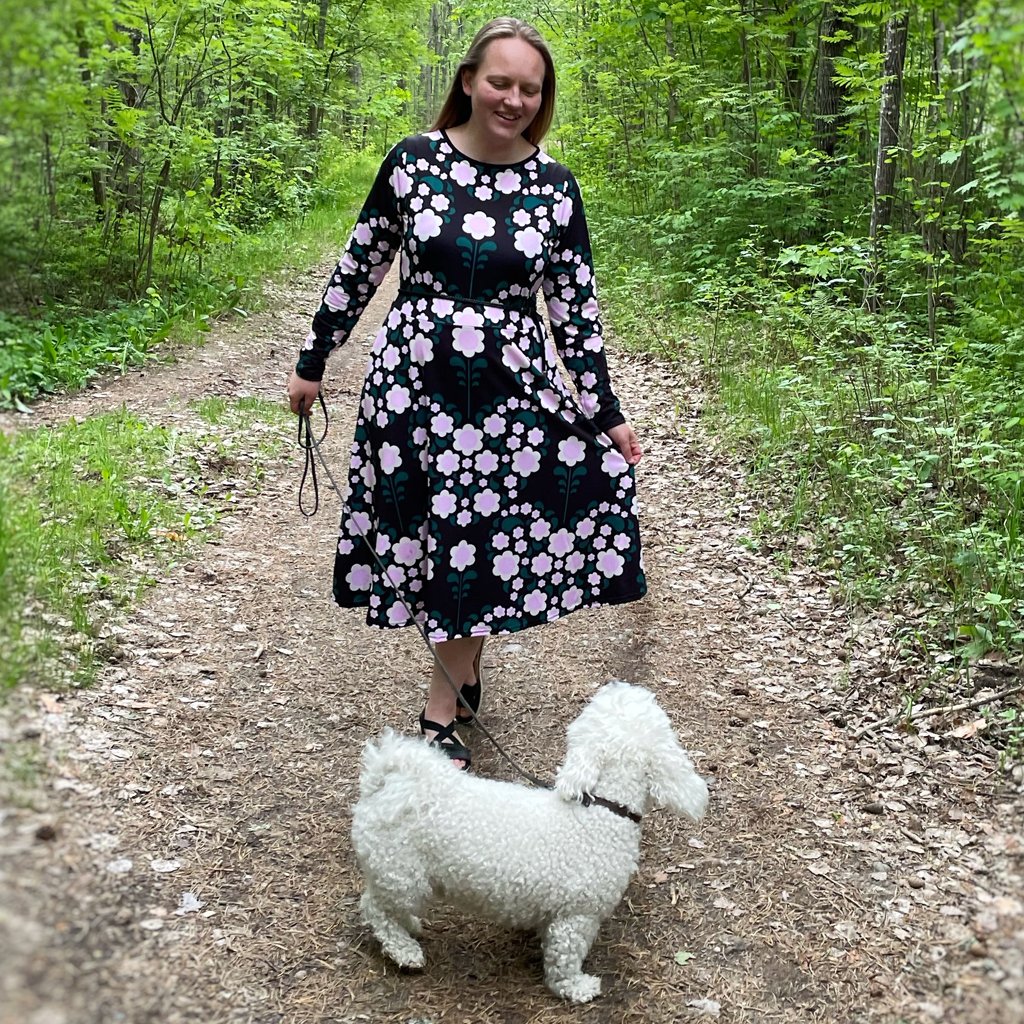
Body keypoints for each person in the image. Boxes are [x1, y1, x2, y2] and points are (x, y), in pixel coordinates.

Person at [287, 16, 646, 770]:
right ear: (468, 81)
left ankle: (440, 706)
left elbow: (575, 310)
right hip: (413, 391)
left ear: (542, 98)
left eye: (529, 88)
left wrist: (604, 412)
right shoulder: (413, 163)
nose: (513, 98)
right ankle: (463, 667)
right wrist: (314, 359)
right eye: (500, 81)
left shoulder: (554, 187)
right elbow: (362, 266)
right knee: (436, 536)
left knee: (477, 541)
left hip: (510, 401)